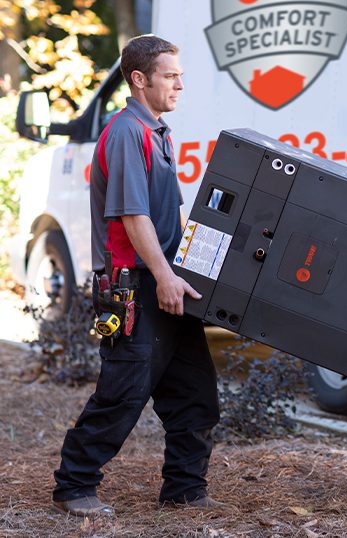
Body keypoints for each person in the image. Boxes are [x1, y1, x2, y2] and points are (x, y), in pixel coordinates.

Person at [52, 35, 228, 517]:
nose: (179, 85)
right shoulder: (127, 132)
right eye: (170, 76)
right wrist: (166, 277)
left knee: (194, 395)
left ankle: (185, 490)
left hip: (166, 285)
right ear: (139, 79)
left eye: (180, 76)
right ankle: (74, 486)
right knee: (123, 394)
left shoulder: (158, 132)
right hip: (135, 287)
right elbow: (133, 216)